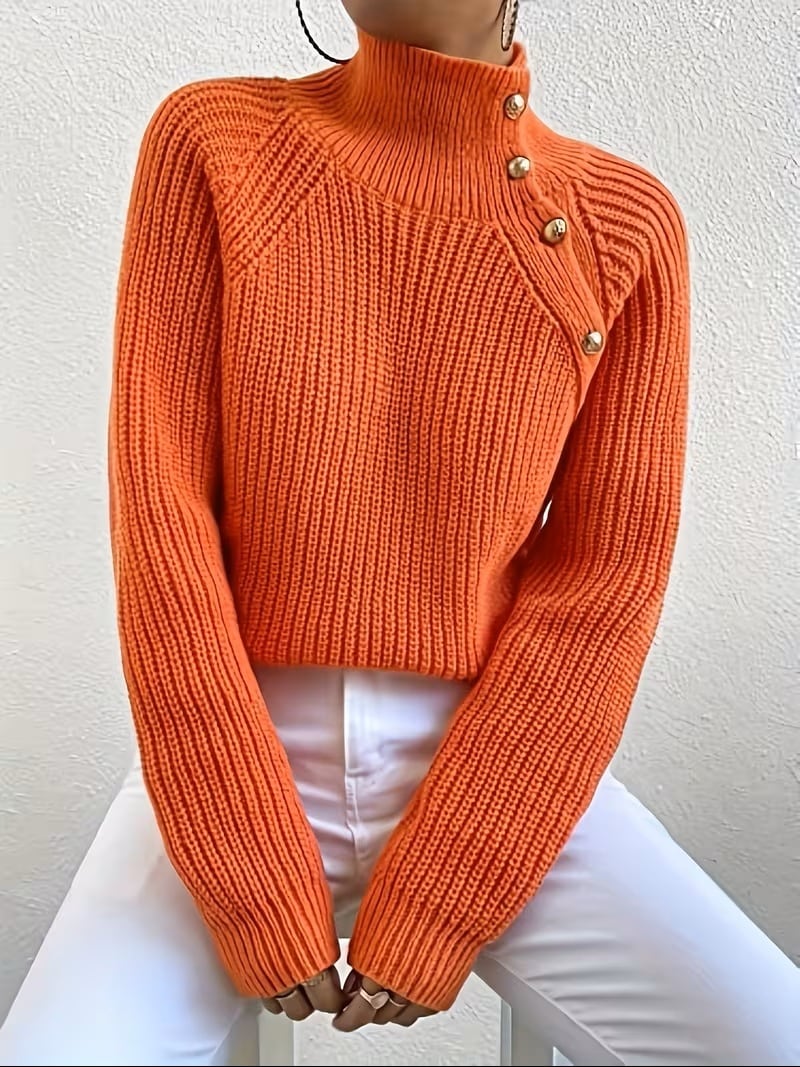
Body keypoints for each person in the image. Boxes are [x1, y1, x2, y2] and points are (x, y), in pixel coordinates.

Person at [2, 1, 798, 1064]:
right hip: (234, 760)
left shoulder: (621, 222)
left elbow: (603, 581)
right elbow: (160, 508)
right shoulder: (216, 142)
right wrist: (245, 867)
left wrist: (451, 887)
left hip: (496, 770)